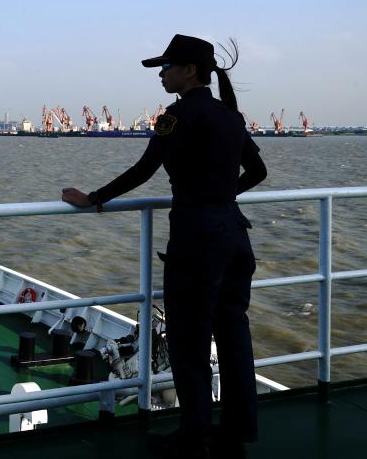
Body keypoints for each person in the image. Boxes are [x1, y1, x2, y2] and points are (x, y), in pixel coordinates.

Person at [62, 34, 267, 459]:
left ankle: (194, 437)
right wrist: (220, 198)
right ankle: (239, 428)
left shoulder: (177, 115)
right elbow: (258, 171)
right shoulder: (229, 115)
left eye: (166, 67)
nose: (161, 75)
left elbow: (144, 169)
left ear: (189, 71)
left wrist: (94, 198)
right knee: (233, 335)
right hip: (234, 235)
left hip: (197, 241)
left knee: (189, 340)